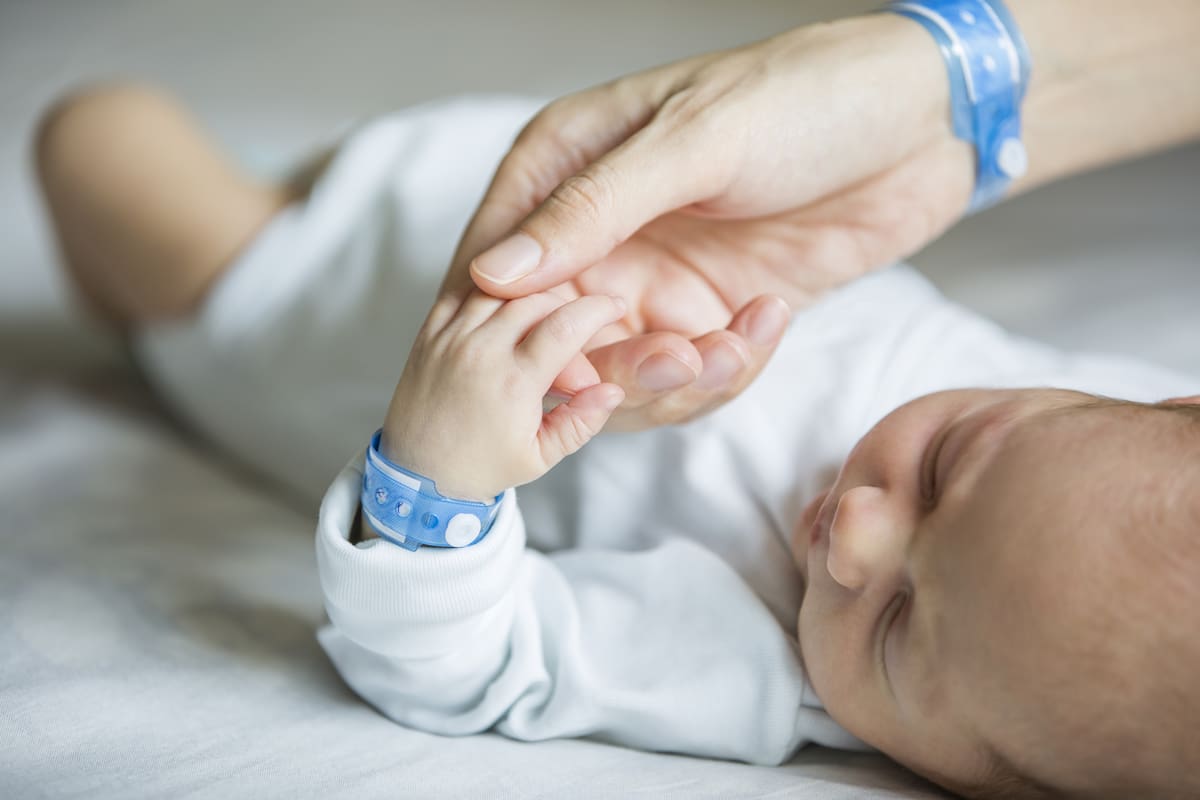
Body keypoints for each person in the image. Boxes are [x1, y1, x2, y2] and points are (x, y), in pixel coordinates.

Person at [32, 3, 1200, 798]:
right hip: (565, 192)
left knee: (94, 134)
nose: (854, 532)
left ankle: (130, 298)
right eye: (946, 466)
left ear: (961, 774)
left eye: (897, 626)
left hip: (326, 311)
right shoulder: (1127, 469)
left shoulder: (754, 659)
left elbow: (473, 663)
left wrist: (437, 480)